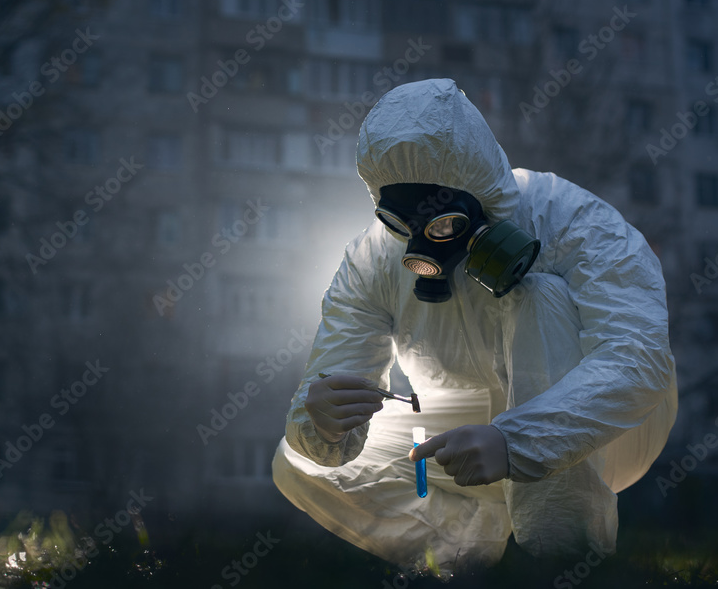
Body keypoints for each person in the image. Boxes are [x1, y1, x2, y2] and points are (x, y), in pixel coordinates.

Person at [272, 78, 678, 572]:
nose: (424, 244)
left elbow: (639, 359)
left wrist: (518, 441)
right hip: (466, 429)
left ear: (480, 192)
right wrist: (323, 421)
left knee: (540, 295)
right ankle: (465, 560)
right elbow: (331, 380)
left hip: (610, 434)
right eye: (404, 224)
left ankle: (564, 561)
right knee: (299, 458)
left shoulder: (571, 219)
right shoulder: (372, 259)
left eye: (443, 224)